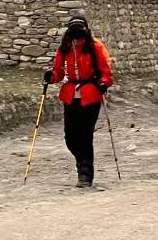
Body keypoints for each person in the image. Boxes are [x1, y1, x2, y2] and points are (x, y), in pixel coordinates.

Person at [43, 15, 114, 188]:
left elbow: (106, 71)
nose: (77, 36)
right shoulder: (65, 48)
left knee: (85, 134)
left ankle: (85, 174)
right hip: (70, 94)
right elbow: (58, 72)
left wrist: (103, 83)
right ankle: (82, 161)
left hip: (91, 94)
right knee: (70, 137)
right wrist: (50, 77)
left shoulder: (94, 46)